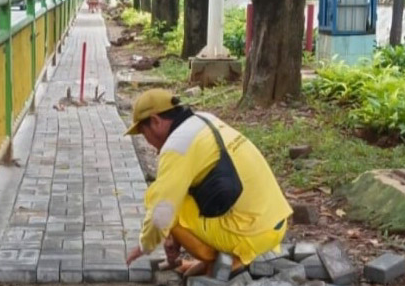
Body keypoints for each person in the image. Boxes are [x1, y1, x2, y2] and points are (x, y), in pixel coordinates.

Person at [125, 89, 293, 275]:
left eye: (143, 132)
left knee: (157, 200)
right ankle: (218, 259)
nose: (147, 141)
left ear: (155, 121)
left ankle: (220, 263)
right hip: (275, 224)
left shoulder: (177, 146)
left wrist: (144, 246)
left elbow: (162, 210)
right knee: (176, 194)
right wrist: (172, 237)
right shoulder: (204, 120)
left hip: (251, 234)